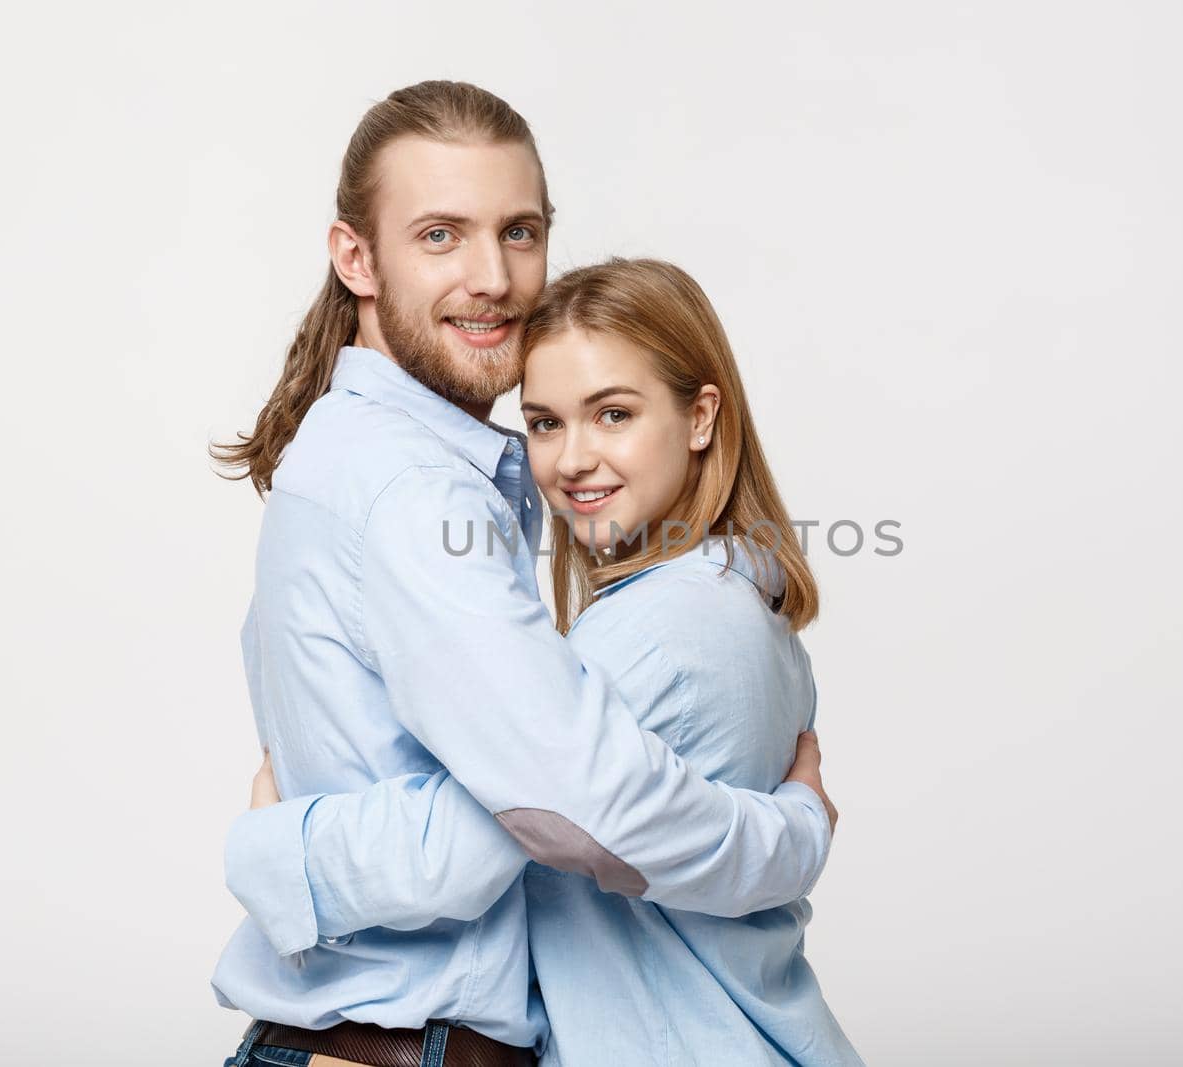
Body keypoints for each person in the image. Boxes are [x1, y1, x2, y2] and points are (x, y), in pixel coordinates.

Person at [209, 82, 836, 1067]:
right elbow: (573, 805)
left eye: (519, 232)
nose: (492, 275)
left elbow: (547, 805)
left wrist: (280, 846)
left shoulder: (364, 454)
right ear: (355, 258)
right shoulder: (410, 487)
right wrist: (794, 831)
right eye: (440, 236)